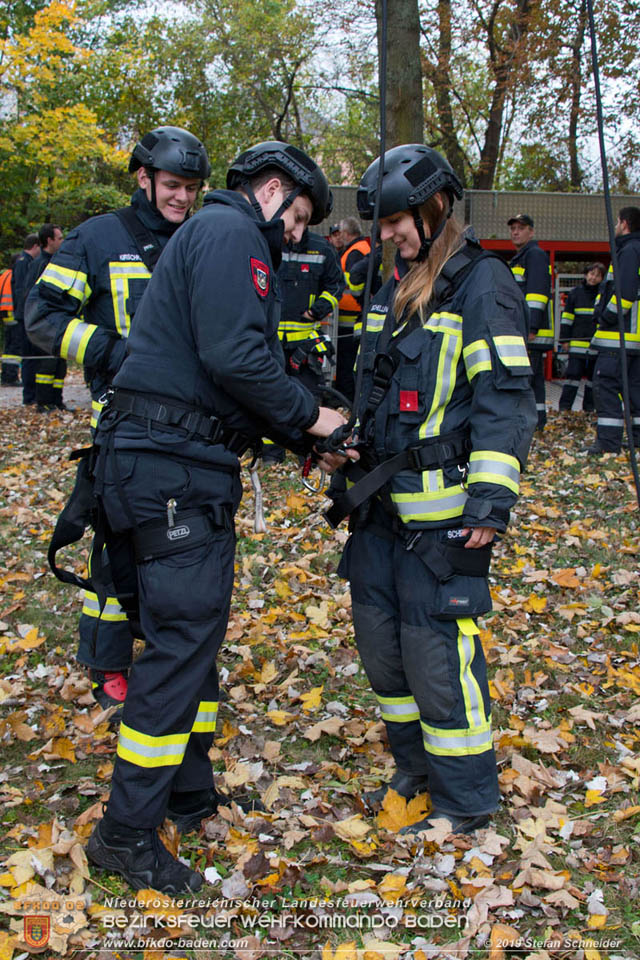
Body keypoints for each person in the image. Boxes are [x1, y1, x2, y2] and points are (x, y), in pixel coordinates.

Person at [84, 140, 352, 893]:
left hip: (157, 462)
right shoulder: (234, 232)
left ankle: (187, 791)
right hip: (171, 472)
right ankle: (125, 834)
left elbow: (221, 376)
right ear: (270, 191)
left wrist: (302, 433)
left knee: (182, 639)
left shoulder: (209, 235)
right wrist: (318, 422)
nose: (296, 235)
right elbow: (237, 357)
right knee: (179, 648)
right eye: (297, 218)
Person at [327, 144, 536, 835]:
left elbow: (506, 401)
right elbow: (373, 388)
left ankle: (466, 803)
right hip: (379, 517)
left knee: (438, 662)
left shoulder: (484, 285)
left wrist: (490, 504)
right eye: (381, 224)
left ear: (436, 204)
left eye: (394, 221)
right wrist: (348, 441)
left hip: (445, 523)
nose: (385, 235)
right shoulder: (391, 289)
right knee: (385, 658)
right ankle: (413, 771)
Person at [25, 126, 210, 714]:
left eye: (193, 188)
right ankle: (106, 657)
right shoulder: (99, 237)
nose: (183, 198)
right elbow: (42, 315)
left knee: (179, 541)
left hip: (189, 425)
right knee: (115, 540)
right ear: (144, 177)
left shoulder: (206, 238)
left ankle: (167, 644)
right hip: (121, 420)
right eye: (174, 185)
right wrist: (109, 349)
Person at [262, 224, 345, 462]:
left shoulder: (321, 249)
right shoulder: (268, 244)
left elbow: (336, 285)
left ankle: (308, 451)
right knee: (270, 396)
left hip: (305, 342)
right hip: (272, 341)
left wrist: (317, 310)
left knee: (309, 396)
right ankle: (271, 452)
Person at [588, 207, 640, 454]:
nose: (615, 227)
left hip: (618, 338)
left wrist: (606, 317)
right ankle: (637, 439)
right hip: (634, 338)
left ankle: (608, 444)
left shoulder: (628, 251)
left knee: (606, 385)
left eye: (617, 222)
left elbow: (624, 293)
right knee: (634, 390)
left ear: (625, 223)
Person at [508, 214, 553, 430]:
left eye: (521, 228)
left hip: (529, 331)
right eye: (513, 228)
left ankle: (529, 421)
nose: (515, 232)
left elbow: (537, 293)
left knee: (527, 379)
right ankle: (537, 421)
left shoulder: (534, 255)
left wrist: (531, 327)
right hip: (525, 329)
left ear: (531, 231)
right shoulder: (521, 257)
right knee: (534, 381)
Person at [25, 224, 66, 411]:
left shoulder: (56, 261)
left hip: (58, 321)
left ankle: (56, 401)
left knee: (59, 366)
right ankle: (43, 403)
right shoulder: (42, 264)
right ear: (49, 241)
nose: (62, 241)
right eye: (59, 238)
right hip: (45, 322)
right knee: (46, 365)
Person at [558, 262, 606, 413]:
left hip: (596, 344)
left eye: (597, 276)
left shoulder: (603, 295)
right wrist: (564, 340)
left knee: (593, 380)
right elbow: (566, 318)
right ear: (586, 275)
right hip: (577, 343)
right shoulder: (575, 293)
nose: (593, 278)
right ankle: (565, 408)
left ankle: (589, 409)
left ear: (602, 278)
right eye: (591, 274)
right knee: (572, 377)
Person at [336, 217, 372, 401]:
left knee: (347, 362)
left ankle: (346, 401)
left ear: (348, 233)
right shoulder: (361, 249)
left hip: (350, 319)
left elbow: (354, 284)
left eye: (341, 232)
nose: (339, 236)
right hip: (355, 316)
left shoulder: (354, 253)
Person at [12, 233, 40, 404]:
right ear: (36, 246)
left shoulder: (25, 262)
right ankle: (29, 396)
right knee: (29, 356)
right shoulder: (24, 263)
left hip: (24, 315)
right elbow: (22, 290)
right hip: (24, 316)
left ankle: (32, 394)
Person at [0, 255, 21, 386]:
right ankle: (11, 376)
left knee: (9, 345)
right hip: (12, 311)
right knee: (15, 345)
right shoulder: (14, 276)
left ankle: (6, 374)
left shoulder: (3, 275)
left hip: (4, 312)